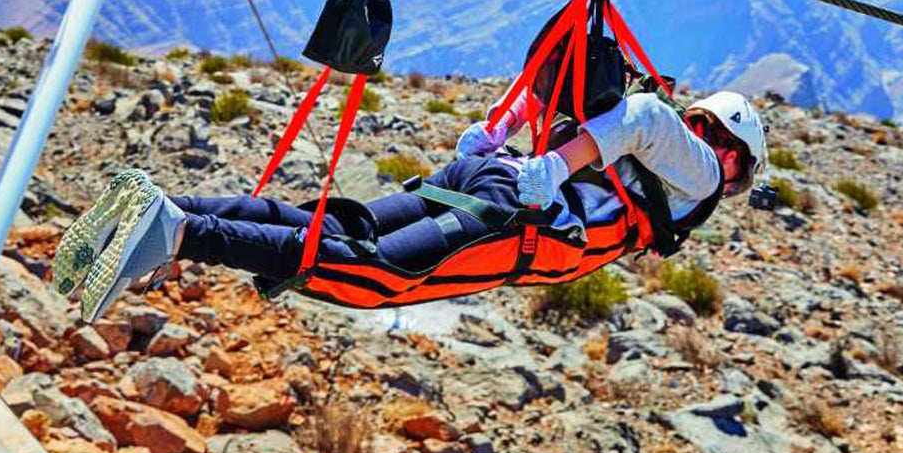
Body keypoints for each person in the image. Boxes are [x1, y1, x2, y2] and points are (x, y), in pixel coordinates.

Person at [50, 87, 768, 321]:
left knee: (331, 225)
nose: (725, 187)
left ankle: (163, 206)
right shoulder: (699, 173)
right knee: (377, 275)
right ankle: (175, 231)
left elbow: (550, 78)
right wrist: (551, 165)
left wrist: (500, 130)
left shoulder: (636, 156)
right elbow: (643, 114)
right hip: (522, 217)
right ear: (729, 150)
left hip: (493, 181)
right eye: (737, 174)